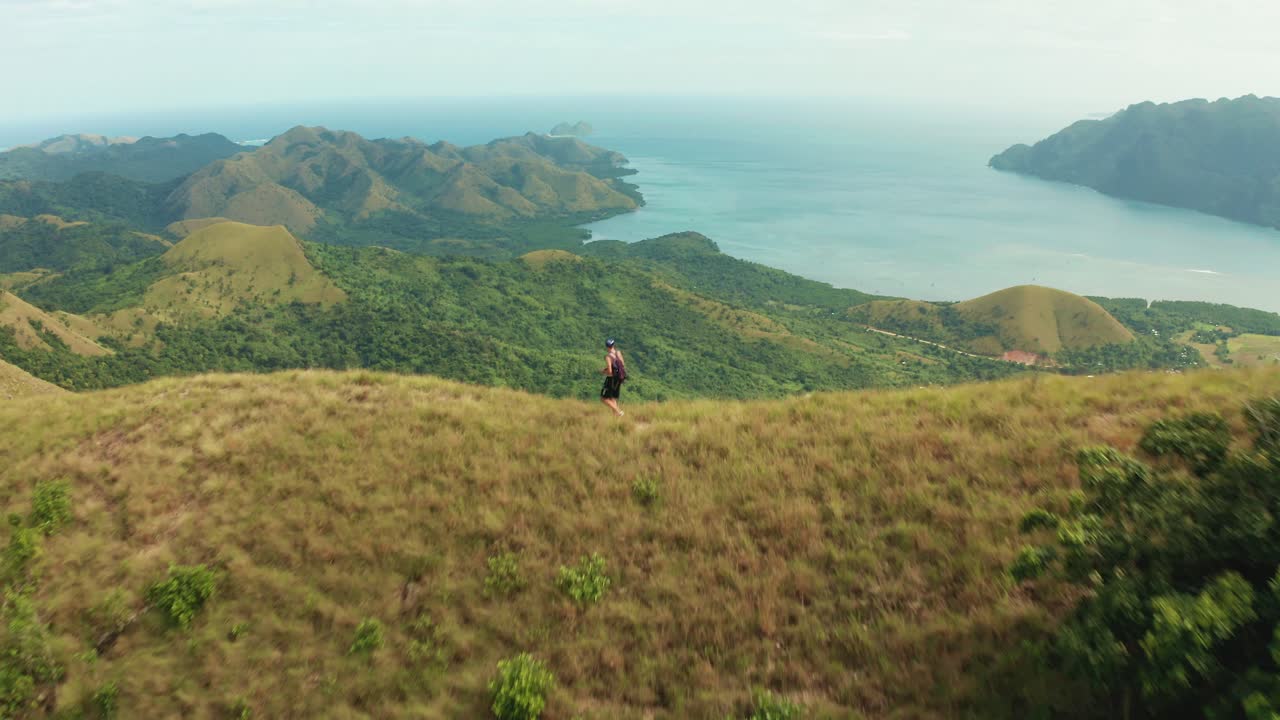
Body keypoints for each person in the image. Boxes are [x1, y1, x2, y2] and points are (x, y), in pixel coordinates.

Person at [600, 338, 626, 417]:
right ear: (613, 345)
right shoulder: (618, 353)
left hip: (611, 379)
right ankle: (616, 418)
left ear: (607, 346)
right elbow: (622, 364)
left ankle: (619, 411)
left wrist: (603, 371)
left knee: (604, 399)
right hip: (619, 378)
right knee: (612, 398)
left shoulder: (608, 357)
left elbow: (610, 371)